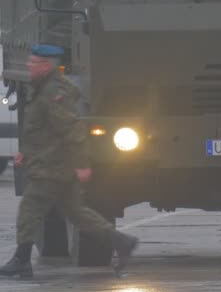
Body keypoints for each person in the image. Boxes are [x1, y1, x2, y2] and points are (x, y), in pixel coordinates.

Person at [0, 45, 138, 278]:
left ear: (46, 65)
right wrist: (26, 152)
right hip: (52, 162)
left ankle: (22, 260)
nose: (29, 66)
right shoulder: (42, 88)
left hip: (54, 165)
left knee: (29, 209)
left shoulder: (54, 92)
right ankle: (122, 241)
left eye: (33, 62)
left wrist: (82, 163)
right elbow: (41, 130)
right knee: (76, 212)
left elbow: (72, 130)